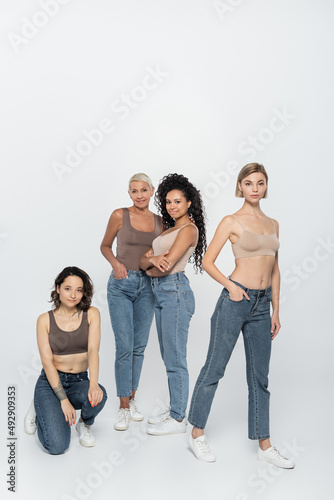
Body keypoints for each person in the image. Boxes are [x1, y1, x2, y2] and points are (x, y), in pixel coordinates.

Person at [187, 163, 295, 468]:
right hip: (234, 302)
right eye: (249, 183)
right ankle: (196, 433)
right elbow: (207, 261)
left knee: (260, 377)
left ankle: (264, 444)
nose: (255, 188)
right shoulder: (231, 221)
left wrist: (276, 309)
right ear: (240, 187)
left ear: (265, 186)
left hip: (262, 307)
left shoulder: (273, 224)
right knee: (215, 368)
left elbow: (275, 269)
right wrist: (230, 287)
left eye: (260, 183)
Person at [140, 173, 207, 436]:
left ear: (189, 203)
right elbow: (142, 263)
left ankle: (179, 419)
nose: (172, 206)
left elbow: (163, 266)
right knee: (169, 355)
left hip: (175, 292)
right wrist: (152, 263)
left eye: (177, 201)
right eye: (168, 202)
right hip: (161, 294)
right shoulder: (168, 230)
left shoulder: (188, 229)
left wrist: (152, 262)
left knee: (176, 356)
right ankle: (175, 408)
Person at [100, 173, 162, 431]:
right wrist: (115, 264)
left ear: (152, 191)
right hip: (121, 285)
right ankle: (124, 406)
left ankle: (132, 398)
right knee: (125, 346)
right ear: (129, 193)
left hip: (148, 286)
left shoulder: (160, 222)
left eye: (144, 190)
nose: (139, 195)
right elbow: (105, 246)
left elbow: (165, 251)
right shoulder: (119, 215)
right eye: (134, 191)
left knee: (139, 347)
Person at [24, 266, 107, 454]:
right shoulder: (44, 320)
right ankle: (40, 405)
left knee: (99, 395)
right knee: (57, 446)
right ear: (58, 288)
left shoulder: (91, 314)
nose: (73, 295)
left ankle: (84, 425)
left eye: (79, 290)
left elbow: (93, 350)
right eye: (68, 288)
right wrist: (63, 400)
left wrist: (93, 384)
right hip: (51, 382)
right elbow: (47, 362)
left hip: (79, 380)